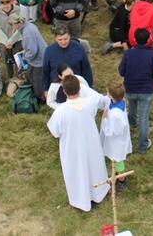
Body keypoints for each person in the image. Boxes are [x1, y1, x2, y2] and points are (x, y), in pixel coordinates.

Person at [47, 75, 110, 211]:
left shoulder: (60, 112)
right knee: (94, 167)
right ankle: (97, 193)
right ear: (80, 89)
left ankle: (81, 199)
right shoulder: (90, 102)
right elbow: (97, 97)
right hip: (91, 144)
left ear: (64, 91)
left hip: (72, 149)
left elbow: (55, 132)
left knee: (77, 171)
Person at [119, 28, 153, 154]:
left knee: (131, 106)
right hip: (146, 91)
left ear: (135, 39)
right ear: (148, 40)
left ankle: (132, 123)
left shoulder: (128, 54)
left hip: (130, 89)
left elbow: (121, 71)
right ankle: (143, 146)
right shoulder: (151, 55)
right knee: (144, 117)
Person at [41, 25, 93, 98]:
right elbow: (45, 71)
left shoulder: (79, 48)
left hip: (76, 87)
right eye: (60, 39)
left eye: (65, 39)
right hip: (57, 88)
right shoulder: (49, 50)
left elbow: (86, 69)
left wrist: (89, 87)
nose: (63, 42)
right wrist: (46, 89)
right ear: (55, 38)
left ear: (69, 36)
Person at [100, 84, 133, 193]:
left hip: (116, 141)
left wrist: (105, 120)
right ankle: (118, 176)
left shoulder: (115, 114)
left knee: (117, 159)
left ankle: (122, 181)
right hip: (118, 139)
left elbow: (114, 131)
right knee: (116, 159)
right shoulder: (120, 101)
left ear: (111, 95)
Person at [0, 0, 23, 80]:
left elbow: (20, 27)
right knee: (6, 60)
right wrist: (6, 42)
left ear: (11, 3)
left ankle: (19, 77)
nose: (5, 8)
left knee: (18, 58)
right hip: (4, 40)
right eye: (3, 7)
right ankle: (9, 77)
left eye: (7, 6)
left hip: (17, 38)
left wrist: (11, 41)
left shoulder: (18, 10)